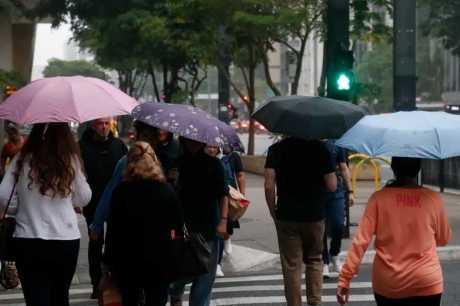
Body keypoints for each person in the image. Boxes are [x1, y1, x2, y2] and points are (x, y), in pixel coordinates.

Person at [337, 157, 452, 306]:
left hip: (389, 282)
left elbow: (360, 242)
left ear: (393, 168)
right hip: (426, 280)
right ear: (418, 169)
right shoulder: (433, 199)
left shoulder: (378, 199)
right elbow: (443, 239)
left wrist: (345, 279)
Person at [0, 123, 91, 306]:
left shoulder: (22, 158)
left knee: (35, 298)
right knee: (60, 296)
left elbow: (3, 195)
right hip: (65, 239)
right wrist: (68, 200)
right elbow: (84, 197)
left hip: (28, 237)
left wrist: (20, 207)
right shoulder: (70, 159)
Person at [101, 141, 183, 306]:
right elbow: (178, 226)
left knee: (130, 299)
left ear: (129, 162)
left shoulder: (121, 191)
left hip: (127, 260)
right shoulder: (166, 190)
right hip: (160, 259)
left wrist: (107, 261)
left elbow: (113, 230)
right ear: (154, 161)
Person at [264, 137, 337, 306]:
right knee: (314, 259)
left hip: (286, 215)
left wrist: (272, 210)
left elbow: (269, 185)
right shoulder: (321, 149)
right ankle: (315, 302)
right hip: (314, 215)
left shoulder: (276, 149)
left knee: (291, 265)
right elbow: (332, 185)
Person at [169, 138, 229, 306]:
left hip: (208, 226)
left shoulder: (214, 164)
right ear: (184, 140)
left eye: (196, 140)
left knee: (205, 278)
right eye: (189, 140)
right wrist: (171, 180)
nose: (193, 143)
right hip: (182, 228)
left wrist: (223, 221)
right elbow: (170, 194)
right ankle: (175, 295)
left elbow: (223, 194)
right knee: (178, 274)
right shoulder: (178, 163)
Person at [79, 117, 128, 298]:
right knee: (95, 243)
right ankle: (96, 283)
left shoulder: (119, 145)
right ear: (92, 125)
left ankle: (113, 281)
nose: (104, 127)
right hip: (93, 202)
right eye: (100, 123)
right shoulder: (82, 146)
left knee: (114, 243)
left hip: (116, 202)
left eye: (107, 123)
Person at [89, 120, 164, 237]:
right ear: (137, 137)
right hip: (126, 225)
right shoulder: (126, 162)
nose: (147, 141)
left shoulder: (163, 160)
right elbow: (110, 192)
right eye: (145, 136)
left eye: (151, 137)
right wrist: (97, 223)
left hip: (154, 227)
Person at [322, 139, 354, 278]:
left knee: (339, 224)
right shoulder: (310, 143)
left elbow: (344, 167)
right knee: (320, 228)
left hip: (336, 191)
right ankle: (324, 262)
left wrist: (350, 191)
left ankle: (334, 254)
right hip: (316, 192)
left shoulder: (337, 144)